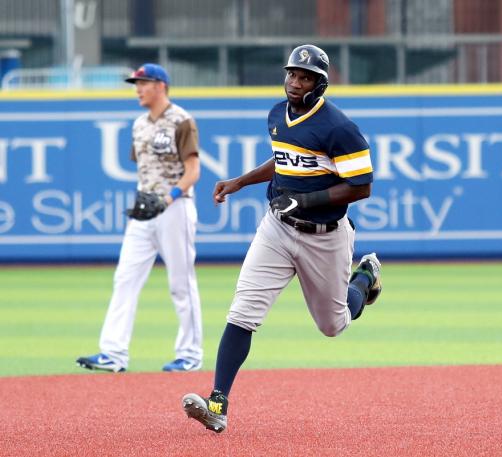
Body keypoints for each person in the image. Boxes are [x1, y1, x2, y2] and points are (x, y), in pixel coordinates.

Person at [181, 45, 382, 433]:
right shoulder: (277, 114)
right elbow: (284, 158)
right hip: (276, 228)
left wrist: (305, 199)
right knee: (243, 312)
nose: (295, 81)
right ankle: (217, 402)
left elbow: (361, 187)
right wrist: (241, 181)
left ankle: (366, 276)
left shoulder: (338, 127)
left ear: (319, 84)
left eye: (304, 77)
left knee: (333, 324)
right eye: (292, 73)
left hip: (324, 236)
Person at [76, 63, 204, 373]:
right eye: (136, 83)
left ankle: (190, 354)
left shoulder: (181, 120)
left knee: (180, 284)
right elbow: (146, 169)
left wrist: (168, 197)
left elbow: (193, 170)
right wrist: (147, 199)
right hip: (144, 210)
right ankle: (113, 353)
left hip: (175, 207)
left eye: (143, 82)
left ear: (160, 85)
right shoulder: (138, 124)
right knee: (125, 278)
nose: (137, 88)